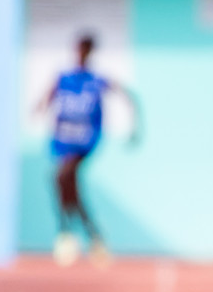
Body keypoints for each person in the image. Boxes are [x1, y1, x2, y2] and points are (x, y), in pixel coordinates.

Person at [36, 33, 141, 268]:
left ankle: (65, 233)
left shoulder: (96, 80)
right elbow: (48, 96)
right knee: (68, 185)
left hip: (85, 141)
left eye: (85, 50)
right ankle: (94, 237)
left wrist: (134, 126)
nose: (81, 54)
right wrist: (40, 106)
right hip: (63, 139)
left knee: (61, 177)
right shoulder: (63, 77)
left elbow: (128, 96)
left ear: (90, 52)